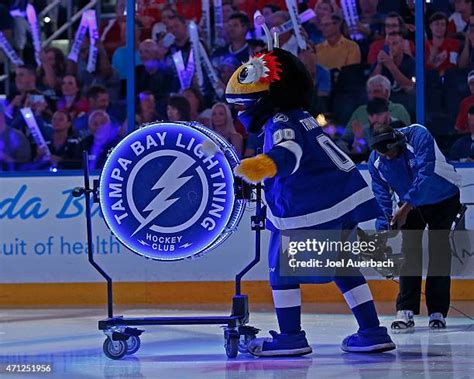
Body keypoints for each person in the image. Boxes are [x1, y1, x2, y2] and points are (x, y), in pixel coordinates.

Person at [226, 47, 395, 356]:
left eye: (241, 105)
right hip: (340, 197)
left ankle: (290, 336)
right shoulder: (302, 116)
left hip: (311, 204)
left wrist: (258, 167)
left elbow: (289, 153)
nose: (239, 113)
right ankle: (372, 330)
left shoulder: (280, 121)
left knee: (280, 268)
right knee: (343, 266)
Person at [368, 123, 462, 329]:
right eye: (382, 154)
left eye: (390, 152)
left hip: (443, 197)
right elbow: (382, 198)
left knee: (439, 251)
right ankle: (405, 310)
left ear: (397, 143)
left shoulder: (419, 135)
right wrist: (384, 230)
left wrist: (406, 207)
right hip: (409, 204)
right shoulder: (375, 162)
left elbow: (425, 174)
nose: (387, 157)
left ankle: (437, 312)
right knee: (409, 252)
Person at [343, 75, 411, 143]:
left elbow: (408, 136)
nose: (372, 95)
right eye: (369, 92)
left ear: (387, 92)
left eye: (376, 91)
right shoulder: (360, 111)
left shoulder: (399, 109)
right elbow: (345, 138)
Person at [0, 102, 31, 170]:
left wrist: (5, 158)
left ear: (1, 115)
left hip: (11, 178)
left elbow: (25, 166)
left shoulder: (18, 137)